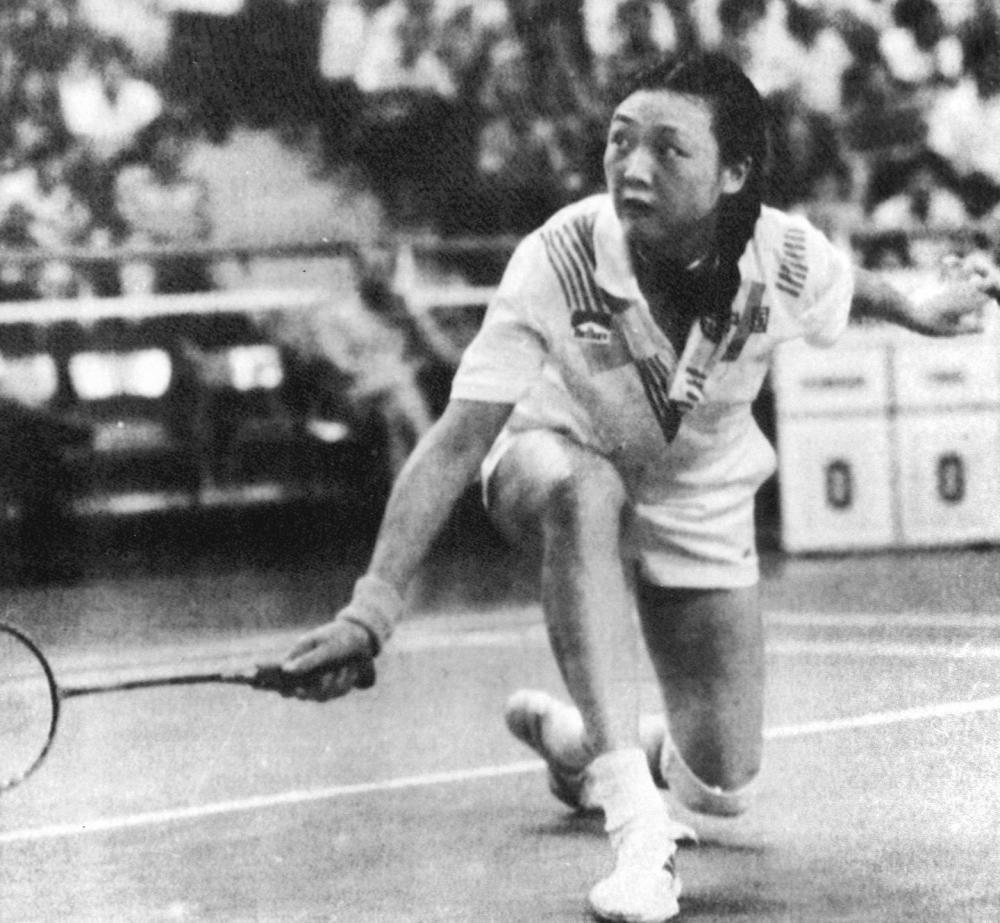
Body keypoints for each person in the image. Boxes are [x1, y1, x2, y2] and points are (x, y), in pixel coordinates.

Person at [276, 53, 997, 923]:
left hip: (699, 491)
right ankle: (636, 828)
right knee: (584, 492)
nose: (633, 167)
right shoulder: (560, 258)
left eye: (668, 148)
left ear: (734, 174)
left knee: (723, 783)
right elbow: (457, 439)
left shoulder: (780, 254)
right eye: (620, 141)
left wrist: (921, 306)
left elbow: (851, 286)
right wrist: (371, 609)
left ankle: (581, 743)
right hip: (553, 455)